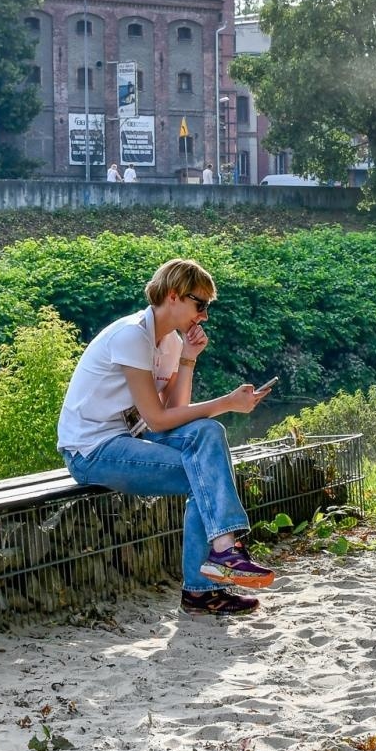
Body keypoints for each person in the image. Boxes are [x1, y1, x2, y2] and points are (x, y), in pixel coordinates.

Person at [58, 258, 274, 615]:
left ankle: (218, 560)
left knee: (207, 432)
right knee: (199, 472)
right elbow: (158, 420)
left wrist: (188, 359)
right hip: (91, 449)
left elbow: (176, 413)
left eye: (207, 307)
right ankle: (210, 578)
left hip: (129, 436)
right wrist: (227, 402)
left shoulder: (171, 343)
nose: (204, 315)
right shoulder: (131, 336)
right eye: (199, 304)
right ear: (173, 296)